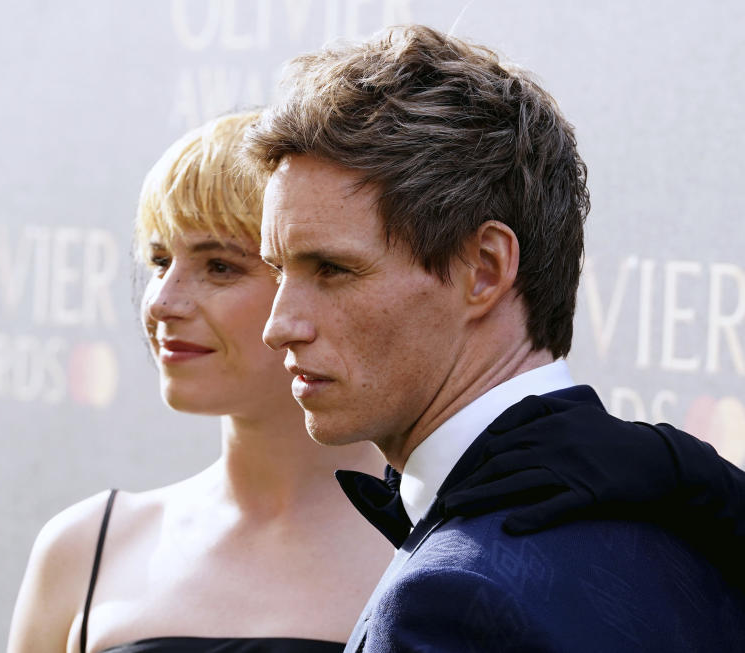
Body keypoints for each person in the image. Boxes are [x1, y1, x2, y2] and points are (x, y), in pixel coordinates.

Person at [245, 24, 745, 652]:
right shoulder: (697, 519)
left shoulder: (447, 600)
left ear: (484, 269)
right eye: (277, 270)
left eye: (334, 270)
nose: (279, 325)